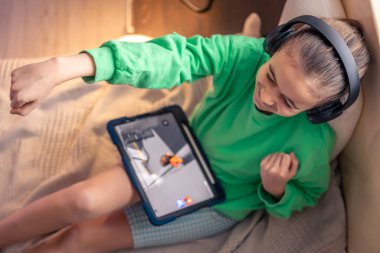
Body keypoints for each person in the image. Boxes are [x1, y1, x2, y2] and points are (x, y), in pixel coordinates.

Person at [1, 15, 369, 253]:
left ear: (320, 111)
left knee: (82, 238)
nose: (267, 98)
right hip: (181, 147)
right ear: (272, 47)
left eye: (289, 102)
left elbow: (309, 193)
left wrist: (275, 189)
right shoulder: (245, 57)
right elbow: (174, 57)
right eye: (271, 76)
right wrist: (66, 66)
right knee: (83, 202)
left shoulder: (311, 143)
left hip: (219, 201)